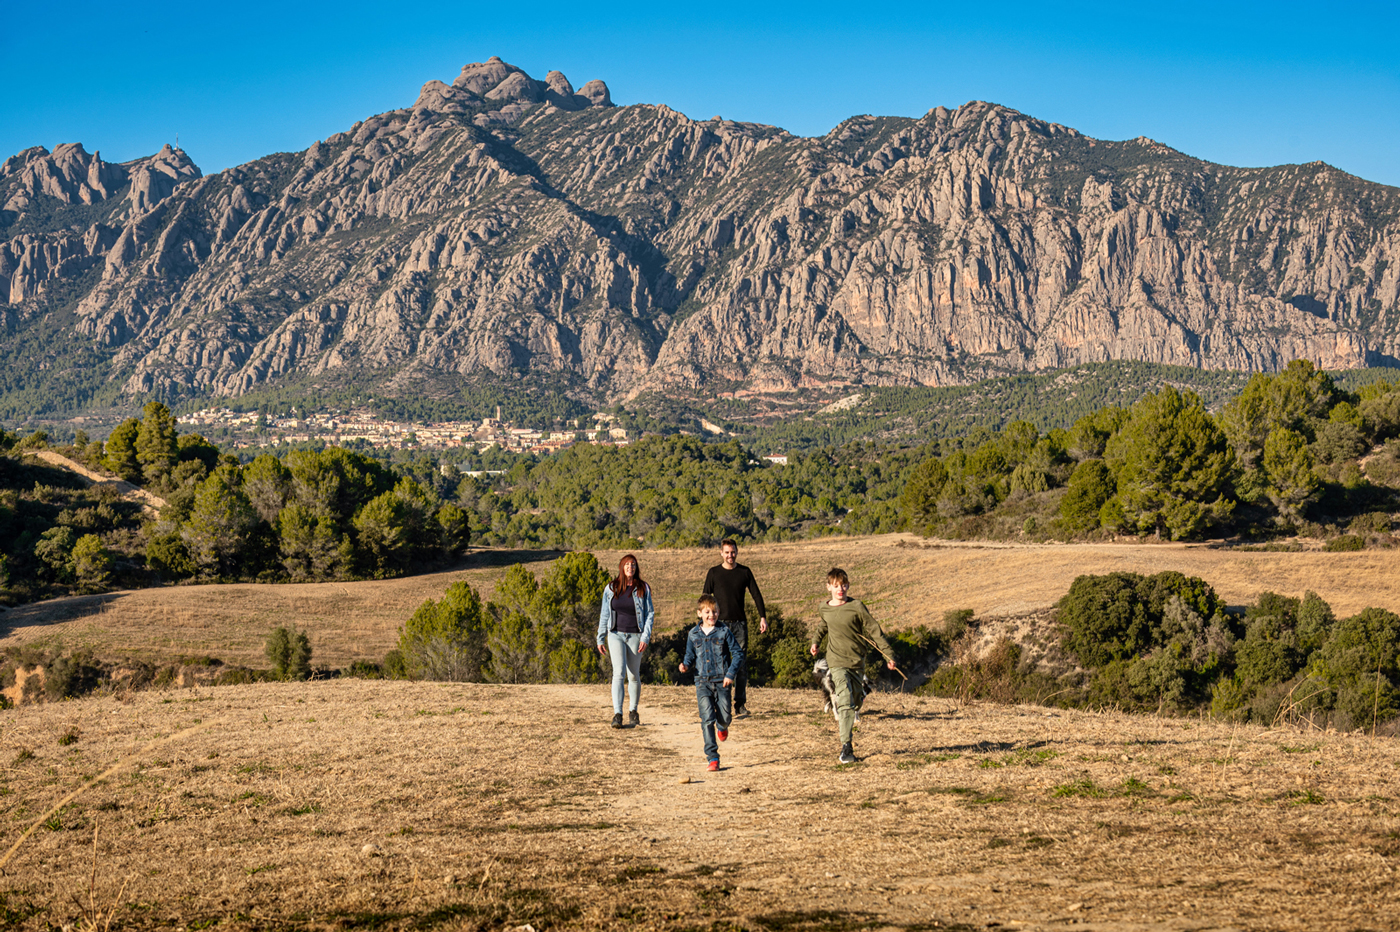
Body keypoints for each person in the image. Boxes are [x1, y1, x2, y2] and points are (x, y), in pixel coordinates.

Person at [809, 567, 897, 764]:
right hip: (836, 661)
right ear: (828, 587)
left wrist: (888, 655)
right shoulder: (824, 607)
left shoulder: (857, 607)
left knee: (856, 700)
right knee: (845, 700)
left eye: (843, 585)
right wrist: (816, 642)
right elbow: (824, 625)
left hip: (857, 662)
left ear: (848, 586)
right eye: (836, 586)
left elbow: (874, 630)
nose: (840, 589)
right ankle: (846, 746)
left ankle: (849, 719)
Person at [701, 539, 767, 717]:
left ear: (737, 552)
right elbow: (705, 598)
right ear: (721, 553)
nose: (730, 555)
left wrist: (763, 617)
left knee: (740, 665)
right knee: (720, 665)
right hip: (719, 625)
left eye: (733, 552)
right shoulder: (714, 573)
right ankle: (722, 703)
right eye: (727, 552)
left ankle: (740, 704)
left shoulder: (744, 572)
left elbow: (756, 595)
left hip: (739, 625)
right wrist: (705, 621)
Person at [679, 594, 744, 772]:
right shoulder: (693, 634)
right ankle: (713, 758)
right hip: (702, 682)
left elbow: (738, 654)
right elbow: (690, 656)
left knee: (725, 717)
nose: (711, 615)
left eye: (714, 611)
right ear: (699, 613)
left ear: (719, 612)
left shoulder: (724, 631)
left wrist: (730, 674)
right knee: (707, 719)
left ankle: (723, 727)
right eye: (707, 612)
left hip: (722, 681)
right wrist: (685, 665)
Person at [596, 554, 654, 728]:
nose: (630, 567)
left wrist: (645, 637)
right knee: (618, 673)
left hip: (636, 635)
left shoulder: (643, 587)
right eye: (627, 564)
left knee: (633, 675)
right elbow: (604, 613)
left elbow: (649, 614)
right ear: (621, 567)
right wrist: (600, 637)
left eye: (633, 564)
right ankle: (617, 714)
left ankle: (633, 711)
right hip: (616, 634)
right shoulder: (611, 588)